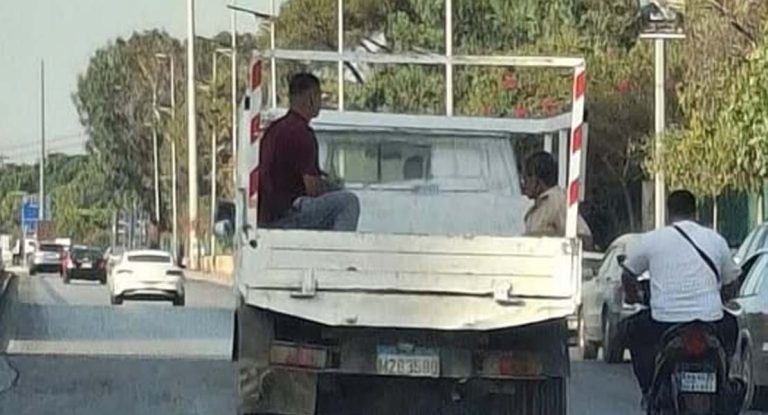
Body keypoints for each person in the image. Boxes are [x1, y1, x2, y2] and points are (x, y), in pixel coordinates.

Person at [622, 190, 742, 405]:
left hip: (664, 322)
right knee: (732, 325)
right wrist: (720, 298)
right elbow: (732, 281)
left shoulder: (652, 240)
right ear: (695, 212)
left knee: (632, 329)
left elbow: (628, 273)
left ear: (668, 213)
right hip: (710, 321)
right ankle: (725, 382)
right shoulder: (715, 240)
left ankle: (648, 389)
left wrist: (634, 297)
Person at [257, 72, 360, 231]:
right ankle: (337, 247)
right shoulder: (302, 133)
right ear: (311, 98)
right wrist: (332, 186)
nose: (320, 102)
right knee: (348, 203)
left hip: (266, 216)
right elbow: (312, 188)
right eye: (319, 96)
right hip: (288, 216)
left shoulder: (274, 129)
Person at [521, 151, 594, 249]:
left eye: (526, 178)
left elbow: (585, 239)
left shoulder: (558, 200)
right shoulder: (537, 207)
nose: (524, 184)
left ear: (538, 179)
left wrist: (547, 238)